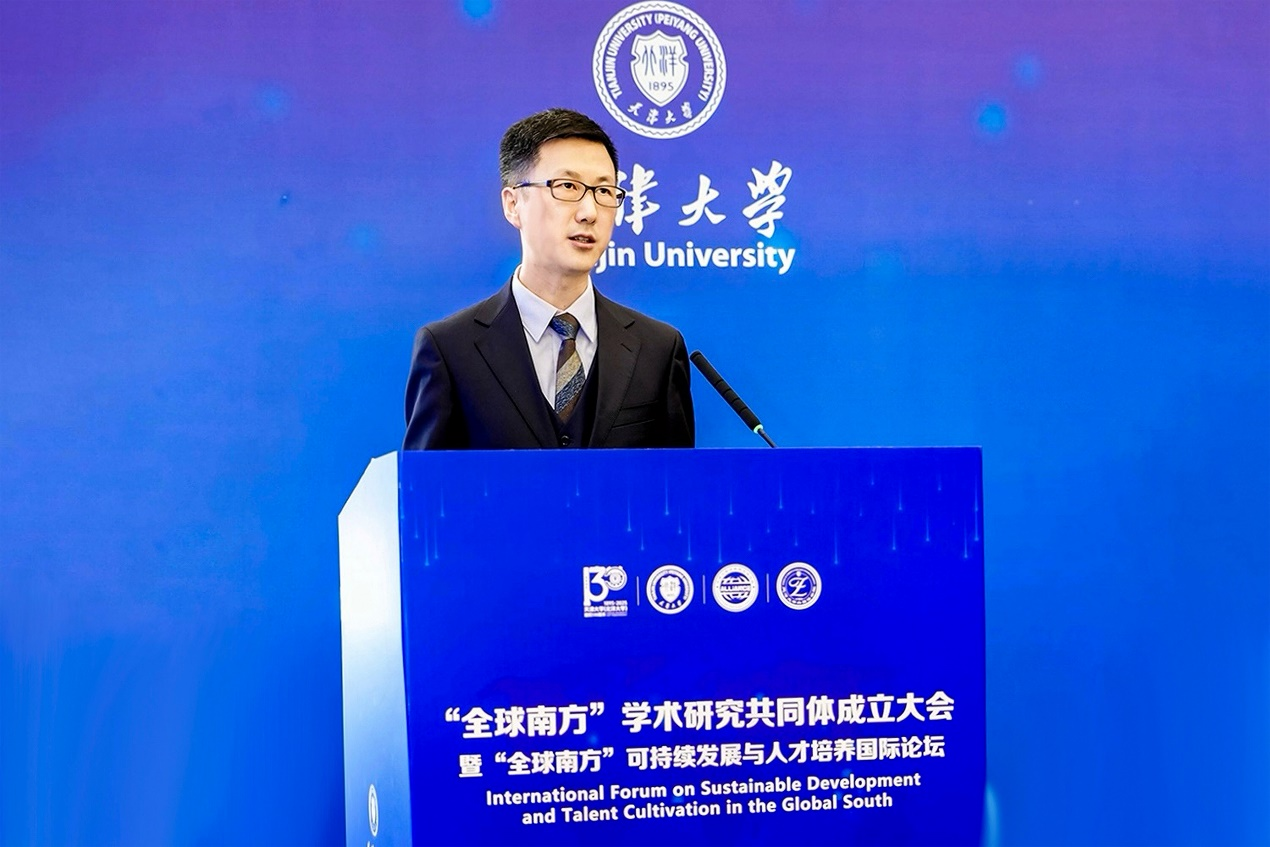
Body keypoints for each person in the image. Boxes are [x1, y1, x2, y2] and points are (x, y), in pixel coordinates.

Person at [403, 108, 694, 450]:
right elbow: (428, 483)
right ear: (513, 204)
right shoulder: (450, 350)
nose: (589, 212)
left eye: (604, 191)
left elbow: (675, 482)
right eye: (567, 186)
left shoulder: (657, 349)